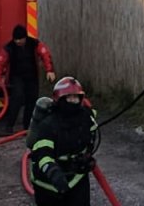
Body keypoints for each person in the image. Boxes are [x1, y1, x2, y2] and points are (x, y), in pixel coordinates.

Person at [27, 76, 98, 206]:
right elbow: (43, 154)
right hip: (47, 184)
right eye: (69, 98)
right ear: (59, 99)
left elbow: (91, 136)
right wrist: (53, 173)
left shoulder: (86, 117)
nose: (73, 101)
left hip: (76, 177)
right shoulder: (48, 124)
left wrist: (86, 156)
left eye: (76, 97)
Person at [0, 24, 57, 132]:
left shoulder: (35, 44)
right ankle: (9, 126)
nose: (17, 42)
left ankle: (28, 126)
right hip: (16, 77)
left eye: (20, 39)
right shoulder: (9, 48)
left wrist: (49, 70)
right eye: (16, 39)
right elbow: (0, 63)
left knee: (32, 99)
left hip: (32, 76)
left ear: (25, 38)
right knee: (17, 98)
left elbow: (45, 55)